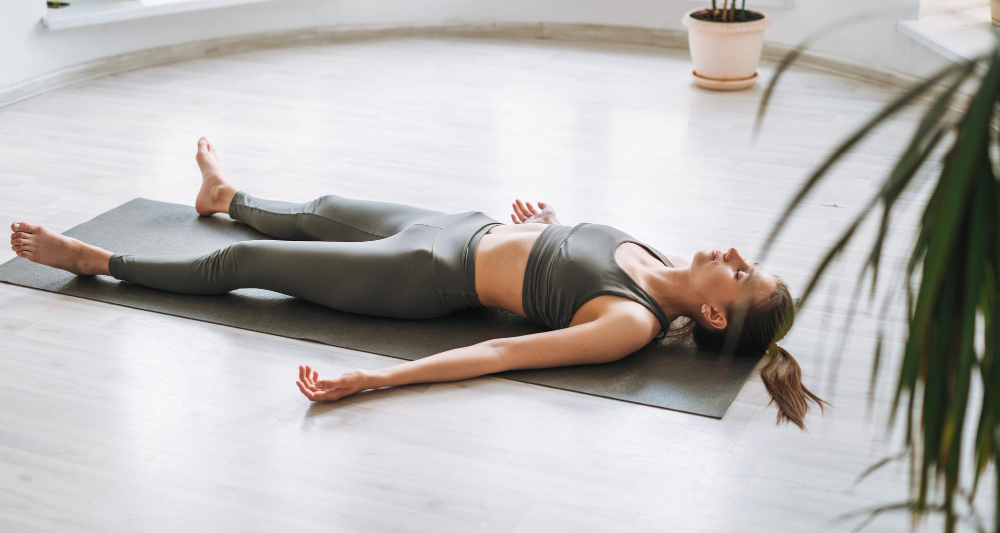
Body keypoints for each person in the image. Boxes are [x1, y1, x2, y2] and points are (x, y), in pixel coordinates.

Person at [8, 137, 826, 428]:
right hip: (454, 222)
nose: (735, 252)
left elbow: (503, 350)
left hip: (421, 275)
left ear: (717, 310)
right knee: (319, 205)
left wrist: (378, 376)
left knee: (249, 268)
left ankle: (97, 261)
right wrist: (547, 219)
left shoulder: (632, 322)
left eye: (744, 272)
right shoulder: (648, 249)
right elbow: (565, 249)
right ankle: (225, 197)